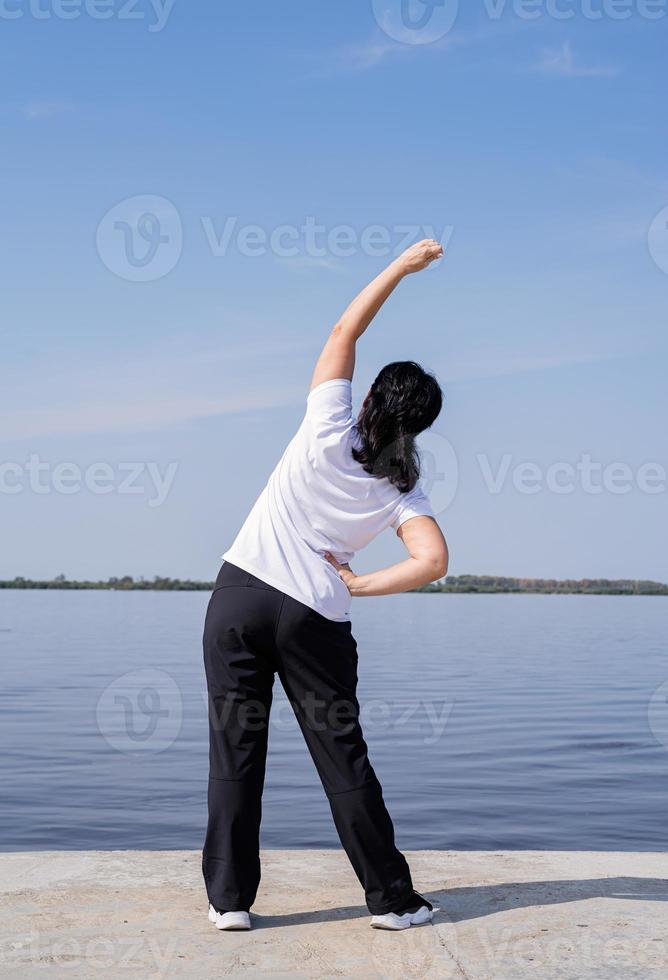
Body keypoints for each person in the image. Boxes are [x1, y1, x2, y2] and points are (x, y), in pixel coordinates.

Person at [202, 240, 449, 932]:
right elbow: (433, 562)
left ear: (369, 396)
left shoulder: (325, 424)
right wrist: (361, 584)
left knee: (235, 751)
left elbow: (345, 330)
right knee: (343, 758)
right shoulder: (403, 486)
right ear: (420, 427)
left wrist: (401, 267)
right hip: (315, 616)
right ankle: (392, 903)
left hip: (239, 598)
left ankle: (229, 903)